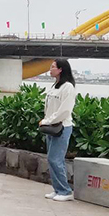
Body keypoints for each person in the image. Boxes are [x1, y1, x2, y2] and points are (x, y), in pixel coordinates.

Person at [40, 59, 77, 201]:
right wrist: (47, 122)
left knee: (56, 159)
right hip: (51, 127)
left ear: (61, 69)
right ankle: (57, 189)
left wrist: (47, 121)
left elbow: (65, 111)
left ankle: (65, 191)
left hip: (62, 127)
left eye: (53, 67)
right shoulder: (55, 86)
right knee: (51, 159)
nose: (50, 69)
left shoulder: (68, 87)